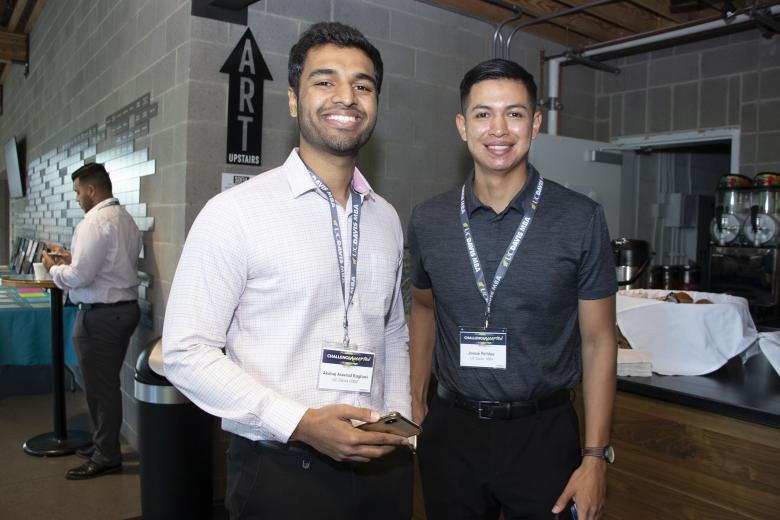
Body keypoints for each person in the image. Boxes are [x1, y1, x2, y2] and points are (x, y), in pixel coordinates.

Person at [162, 22, 413, 519]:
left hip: (381, 469)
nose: (347, 97)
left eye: (363, 85)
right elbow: (185, 352)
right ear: (295, 101)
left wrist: (398, 422)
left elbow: (393, 330)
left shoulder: (385, 217)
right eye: (325, 81)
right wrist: (298, 422)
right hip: (281, 471)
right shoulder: (235, 212)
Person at [408, 58, 618, 520]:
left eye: (515, 113)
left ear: (536, 123)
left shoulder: (581, 219)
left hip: (543, 434)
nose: (498, 129)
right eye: (483, 114)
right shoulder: (429, 219)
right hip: (452, 433)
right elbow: (422, 309)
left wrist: (595, 456)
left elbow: (599, 341)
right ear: (462, 126)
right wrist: (416, 398)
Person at [42, 162, 142, 480]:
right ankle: (103, 443)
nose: (76, 199)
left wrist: (52, 268)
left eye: (77, 192)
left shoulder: (94, 221)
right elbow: (106, 265)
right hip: (122, 310)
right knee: (105, 385)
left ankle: (106, 455)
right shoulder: (124, 219)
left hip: (101, 316)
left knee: (101, 389)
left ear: (91, 190)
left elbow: (79, 277)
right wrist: (71, 258)